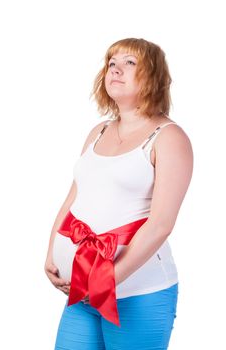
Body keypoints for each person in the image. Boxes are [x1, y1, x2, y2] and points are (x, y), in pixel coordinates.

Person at [44, 37, 193, 350]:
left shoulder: (168, 138)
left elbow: (161, 223)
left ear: (153, 76)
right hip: (81, 290)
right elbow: (74, 197)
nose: (116, 69)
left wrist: (107, 279)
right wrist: (51, 252)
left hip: (138, 294)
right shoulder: (98, 131)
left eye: (130, 63)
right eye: (112, 63)